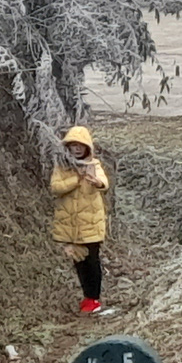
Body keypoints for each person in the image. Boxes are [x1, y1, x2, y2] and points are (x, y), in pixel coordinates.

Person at [50, 125, 111, 315]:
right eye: (73, 145)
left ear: (87, 148)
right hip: (71, 225)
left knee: (91, 261)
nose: (76, 149)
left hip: (90, 224)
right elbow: (56, 187)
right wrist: (76, 179)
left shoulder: (94, 165)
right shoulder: (62, 167)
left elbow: (104, 183)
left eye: (80, 146)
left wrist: (97, 182)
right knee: (79, 262)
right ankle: (87, 296)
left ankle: (94, 298)